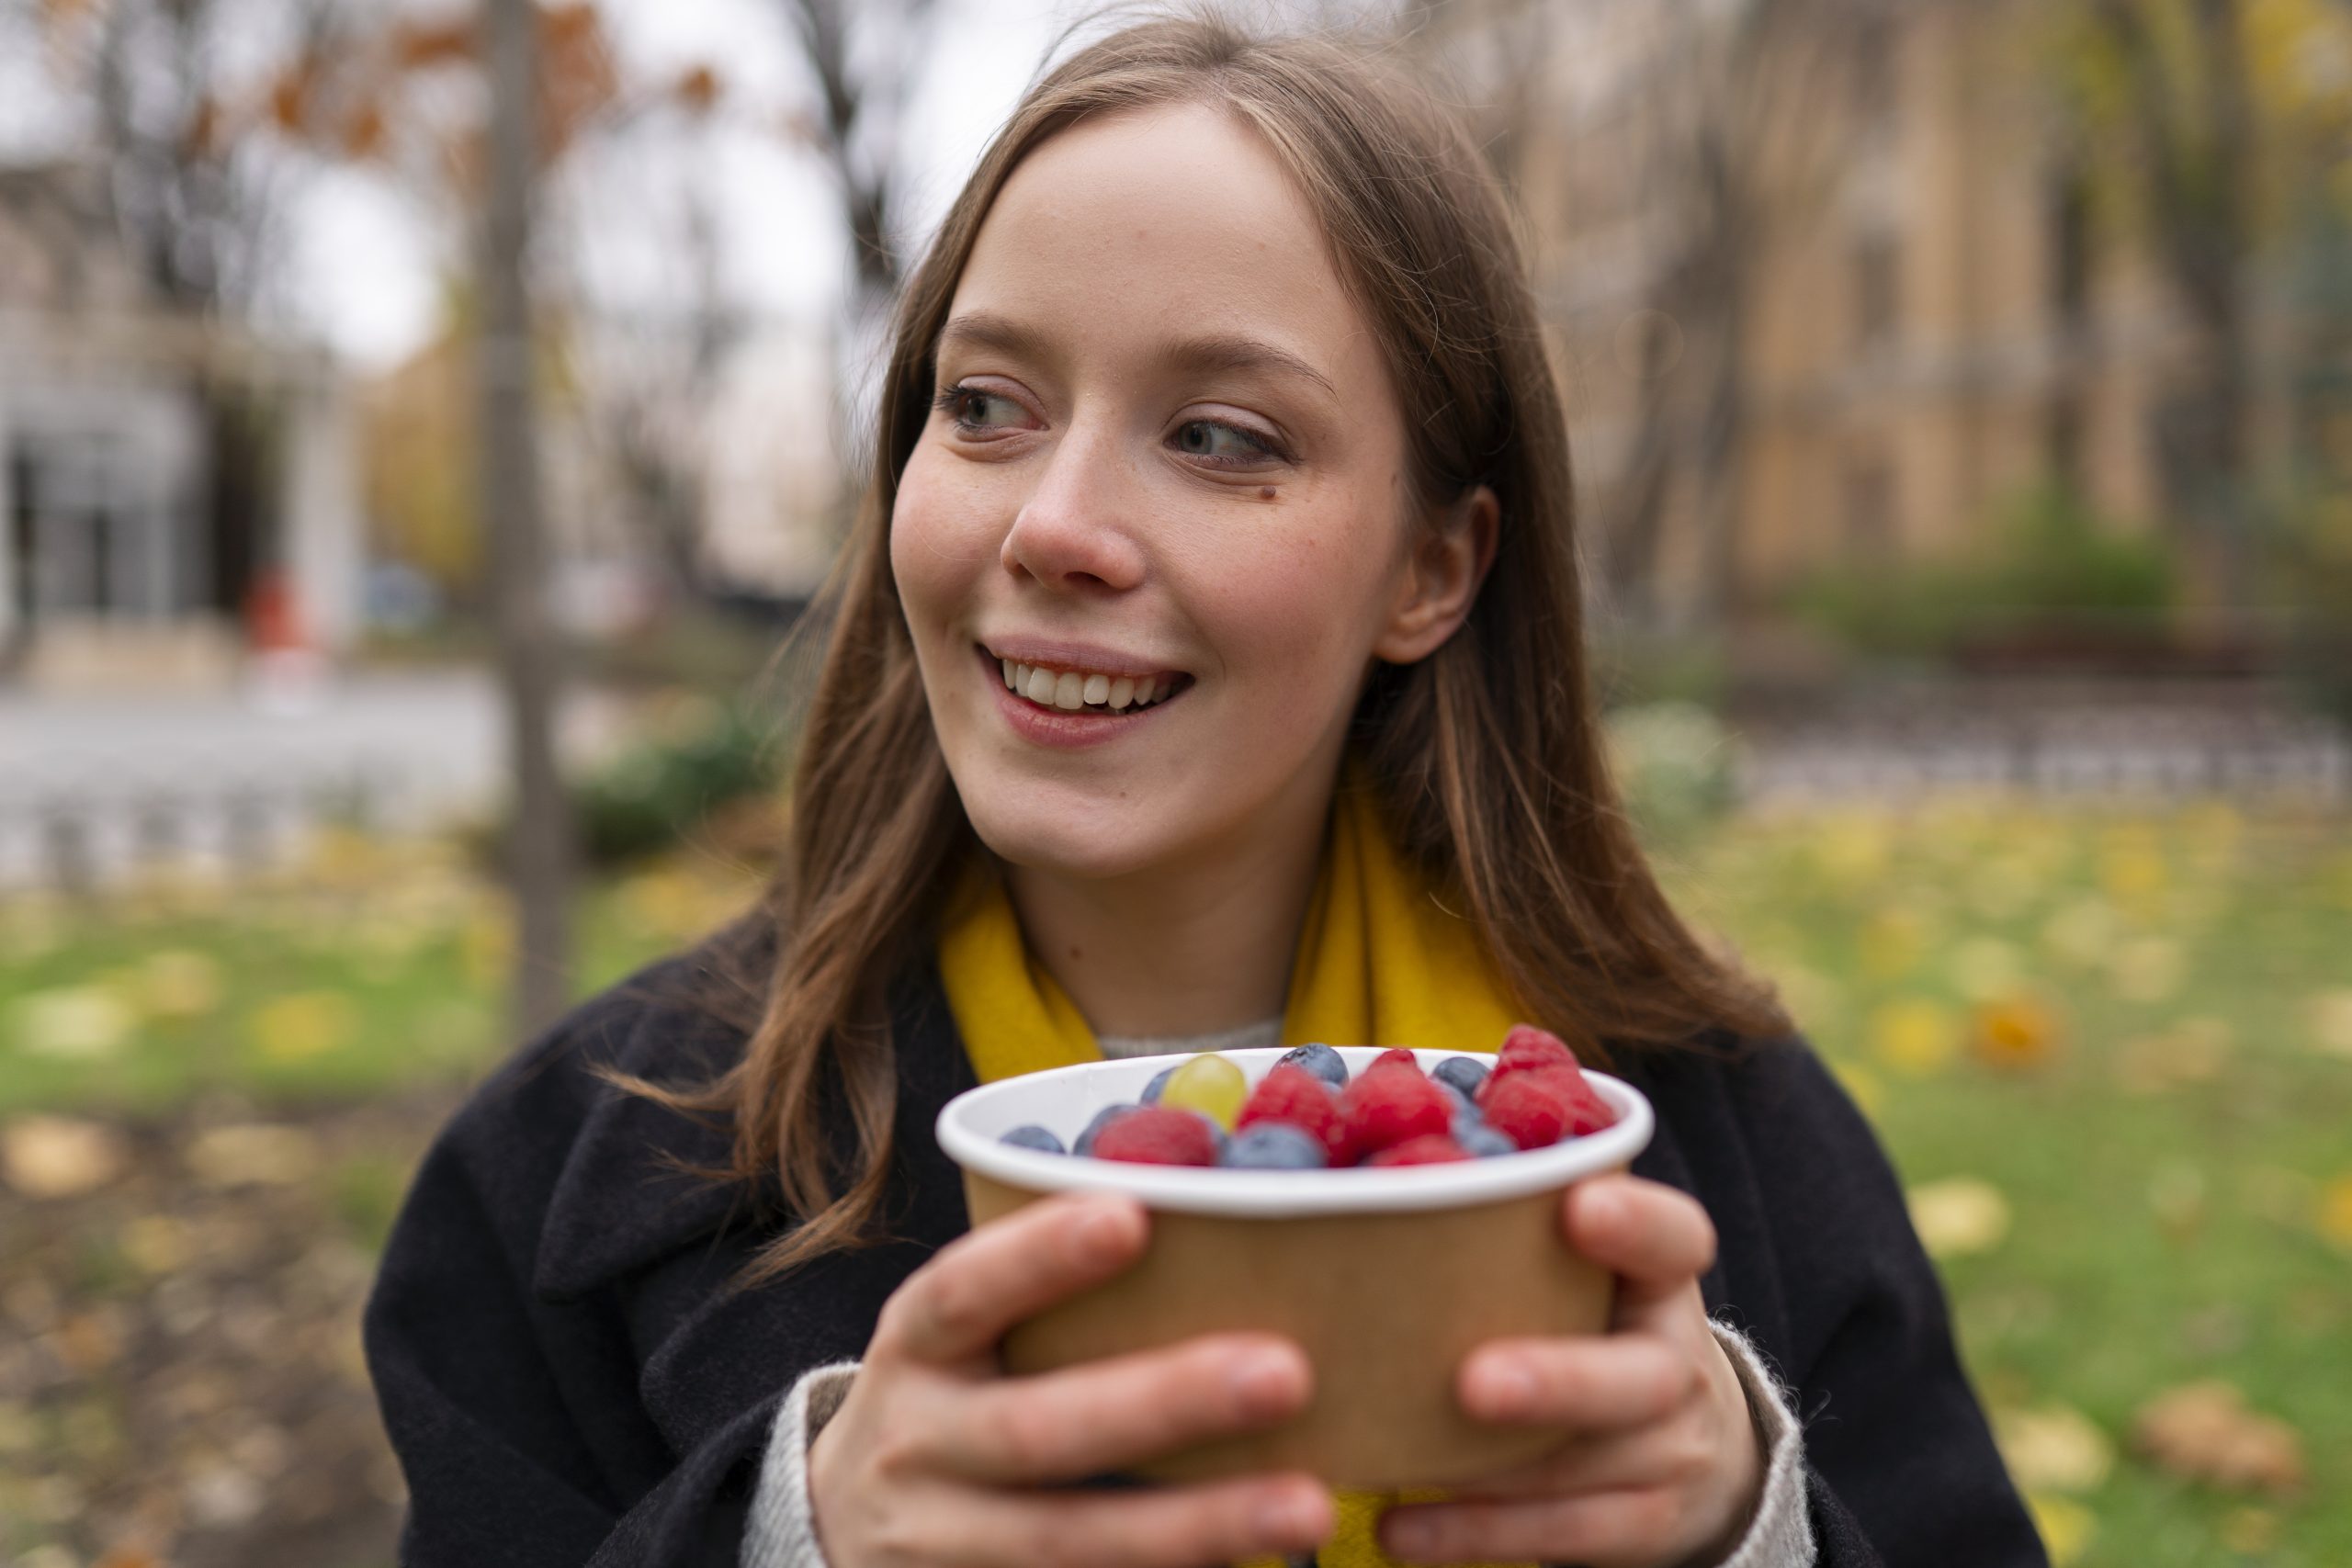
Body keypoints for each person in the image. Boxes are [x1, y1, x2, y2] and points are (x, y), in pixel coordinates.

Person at [363, 14, 2049, 1568]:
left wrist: (1755, 1527)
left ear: (1434, 569)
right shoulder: (555, 1182)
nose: (1054, 526)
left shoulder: (1737, 1146)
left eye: (1223, 437)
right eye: (987, 405)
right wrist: (792, 1540)